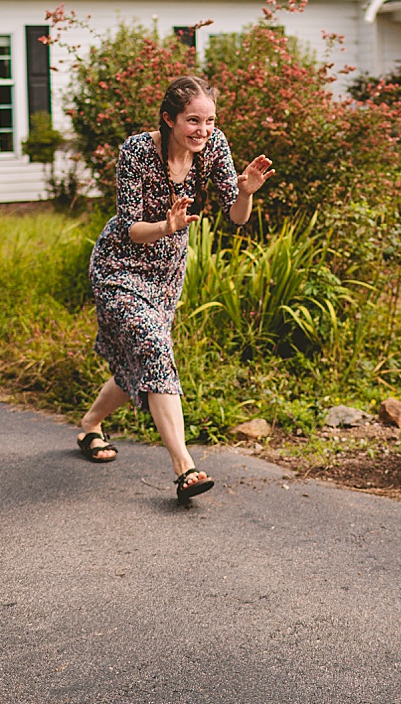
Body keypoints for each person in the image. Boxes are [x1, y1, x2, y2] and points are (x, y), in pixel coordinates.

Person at [74, 75, 273, 504]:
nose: (203, 129)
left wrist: (246, 192)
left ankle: (91, 425)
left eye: (210, 120)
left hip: (166, 274)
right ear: (168, 119)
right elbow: (129, 227)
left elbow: (236, 217)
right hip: (120, 265)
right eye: (192, 120)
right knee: (153, 347)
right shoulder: (136, 151)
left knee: (143, 357)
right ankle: (185, 467)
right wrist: (167, 225)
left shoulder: (214, 146)